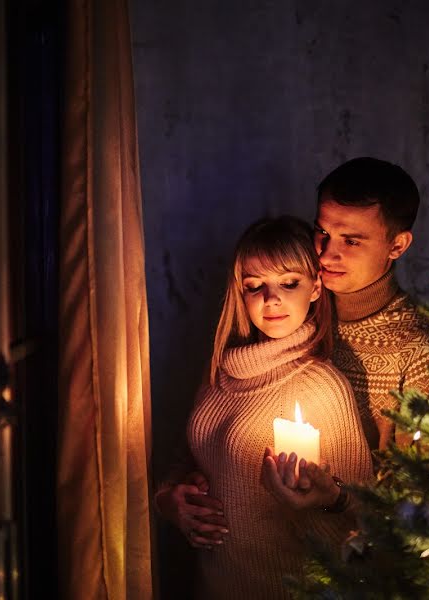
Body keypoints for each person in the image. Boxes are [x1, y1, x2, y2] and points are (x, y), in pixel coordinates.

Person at [155, 216, 372, 600]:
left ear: (316, 287)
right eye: (255, 286)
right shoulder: (220, 371)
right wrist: (171, 498)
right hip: (214, 585)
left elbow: (360, 516)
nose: (271, 299)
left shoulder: (321, 386)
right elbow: (190, 457)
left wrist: (320, 502)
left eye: (289, 283)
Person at [313, 157, 429, 452]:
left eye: (351, 242)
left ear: (397, 245)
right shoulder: (293, 312)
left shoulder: (421, 353)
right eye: (322, 234)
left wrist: (338, 499)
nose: (326, 254)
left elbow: (418, 488)